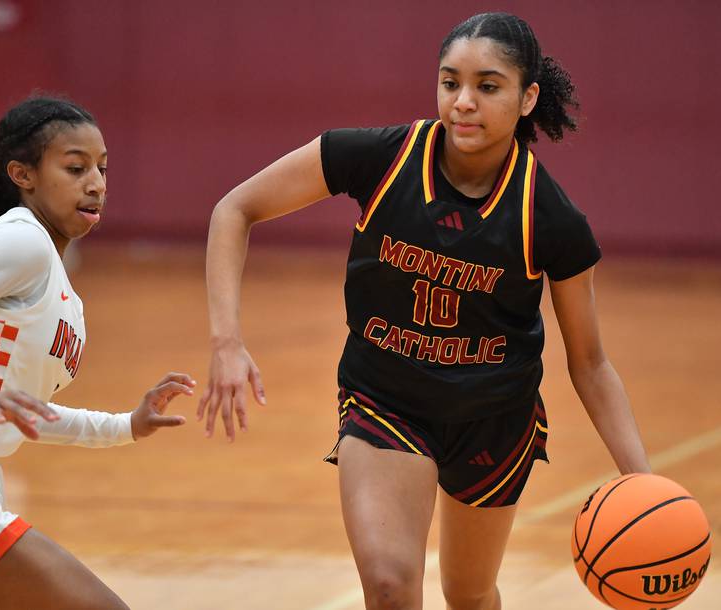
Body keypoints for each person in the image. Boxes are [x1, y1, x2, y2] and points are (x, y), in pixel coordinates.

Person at [199, 12, 651, 610]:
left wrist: (640, 480)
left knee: (468, 593)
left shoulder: (550, 218)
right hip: (386, 398)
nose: (463, 102)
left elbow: (589, 363)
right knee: (389, 587)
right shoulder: (377, 156)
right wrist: (226, 341)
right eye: (449, 82)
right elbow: (235, 209)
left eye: (487, 86)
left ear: (527, 97)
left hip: (493, 415)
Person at [0, 96, 194, 609]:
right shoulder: (23, 244)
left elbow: (25, 414)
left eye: (102, 169)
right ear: (23, 174)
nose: (97, 183)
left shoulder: (61, 290)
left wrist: (127, 425)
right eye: (76, 167)